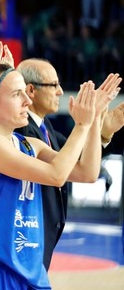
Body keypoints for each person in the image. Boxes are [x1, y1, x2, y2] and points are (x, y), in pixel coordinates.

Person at [0, 64, 117, 290]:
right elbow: (56, 175)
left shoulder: (30, 144)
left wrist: (94, 119)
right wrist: (81, 126)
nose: (28, 100)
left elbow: (86, 172)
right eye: (17, 94)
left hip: (32, 273)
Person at [15, 58, 124, 270]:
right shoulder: (22, 130)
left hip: (38, 236)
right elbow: (83, 172)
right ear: (31, 90)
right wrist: (89, 121)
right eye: (54, 85)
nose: (60, 91)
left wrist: (102, 132)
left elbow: (80, 158)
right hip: (25, 237)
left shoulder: (43, 125)